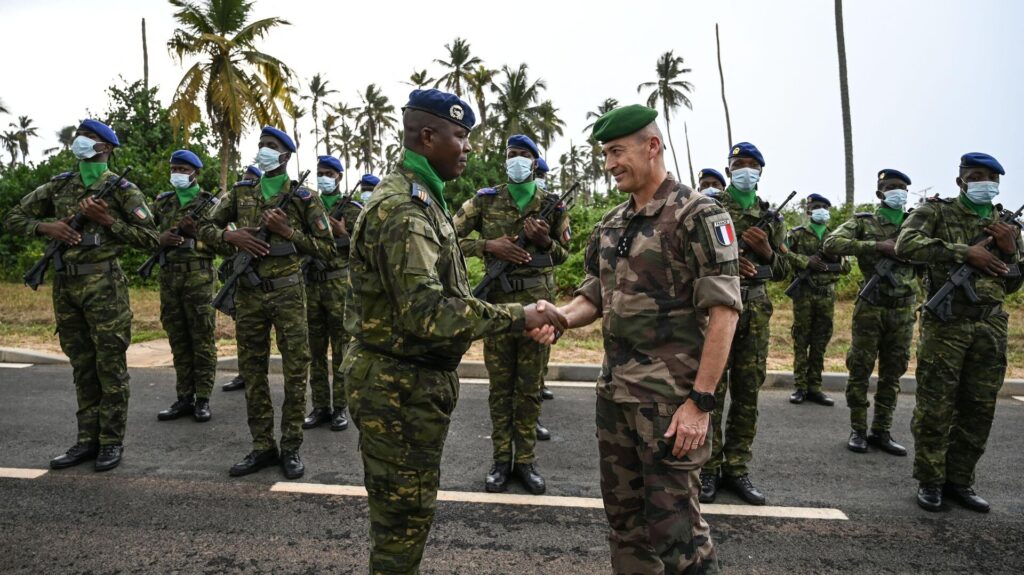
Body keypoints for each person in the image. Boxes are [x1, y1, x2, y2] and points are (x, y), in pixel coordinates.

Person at [342, 88, 566, 574]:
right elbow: (429, 313)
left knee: (409, 516)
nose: (468, 148)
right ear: (427, 136)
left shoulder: (424, 199)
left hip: (411, 383)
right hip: (398, 386)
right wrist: (516, 316)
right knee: (402, 525)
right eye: (461, 136)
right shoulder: (404, 210)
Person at [531, 104, 737, 574]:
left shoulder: (697, 214)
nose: (609, 164)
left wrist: (700, 403)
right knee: (625, 526)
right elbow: (594, 295)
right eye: (605, 154)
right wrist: (560, 317)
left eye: (618, 151)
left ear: (652, 146)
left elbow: (725, 312)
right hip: (616, 399)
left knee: (678, 535)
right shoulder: (611, 223)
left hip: (669, 405)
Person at [4, 119, 158, 471]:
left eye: (88, 138)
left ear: (105, 148)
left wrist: (107, 222)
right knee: (82, 366)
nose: (80, 142)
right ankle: (86, 441)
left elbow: (151, 238)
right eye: (80, 136)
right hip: (66, 287)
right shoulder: (60, 185)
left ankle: (110, 442)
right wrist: (45, 227)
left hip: (105, 288)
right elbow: (13, 216)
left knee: (110, 368)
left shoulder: (122, 190)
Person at [199, 126, 335, 480]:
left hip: (289, 293)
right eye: (261, 145)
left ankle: (290, 447)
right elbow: (203, 228)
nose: (264, 151)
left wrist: (289, 232)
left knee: (295, 371)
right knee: (254, 372)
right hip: (249, 294)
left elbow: (328, 249)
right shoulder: (242, 192)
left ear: (286, 156)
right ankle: (262, 447)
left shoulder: (305, 198)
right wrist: (231, 236)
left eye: (271, 147)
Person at [895, 152, 1023, 513]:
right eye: (977, 176)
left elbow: (1012, 285)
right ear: (961, 180)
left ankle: (961, 481)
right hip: (947, 323)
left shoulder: (1007, 226)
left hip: (990, 325)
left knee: (978, 408)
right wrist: (964, 253)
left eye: (992, 179)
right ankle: (931, 482)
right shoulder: (936, 213)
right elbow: (907, 245)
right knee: (936, 406)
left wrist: (1010, 253)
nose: (986, 183)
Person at [454, 135, 571, 495]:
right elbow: (447, 238)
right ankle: (501, 460)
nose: (516, 160)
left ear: (535, 163)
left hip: (539, 311)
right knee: (501, 389)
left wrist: (544, 242)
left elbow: (566, 255)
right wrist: (488, 246)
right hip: (498, 309)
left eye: (523, 155)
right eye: (511, 155)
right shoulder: (485, 201)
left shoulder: (552, 205)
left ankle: (526, 462)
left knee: (530, 389)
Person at [699, 142, 790, 506]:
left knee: (747, 393)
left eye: (753, 165)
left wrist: (767, 252)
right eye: (739, 164)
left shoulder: (774, 219)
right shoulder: (709, 209)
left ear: (761, 172)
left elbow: (784, 271)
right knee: (712, 391)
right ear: (729, 168)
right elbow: (691, 260)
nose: (746, 169)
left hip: (754, 313)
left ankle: (736, 468)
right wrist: (729, 262)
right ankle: (707, 469)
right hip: (716, 311)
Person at [822, 169, 918, 455]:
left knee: (893, 371)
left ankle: (882, 431)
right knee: (861, 368)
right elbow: (831, 244)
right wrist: (877, 246)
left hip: (903, 309)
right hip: (871, 306)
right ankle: (858, 429)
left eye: (902, 187)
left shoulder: (917, 224)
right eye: (891, 187)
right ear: (880, 193)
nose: (897, 191)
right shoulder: (865, 222)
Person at [153, 150, 218, 423]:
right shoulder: (163, 202)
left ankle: (202, 398)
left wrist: (196, 236)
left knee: (202, 339)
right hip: (170, 278)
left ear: (196, 173)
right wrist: (160, 239)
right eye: (174, 168)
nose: (177, 173)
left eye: (182, 169)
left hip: (199, 278)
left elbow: (226, 242)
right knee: (178, 339)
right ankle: (184, 397)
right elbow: (143, 233)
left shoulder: (212, 204)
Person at [302, 155, 362, 432]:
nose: (323, 177)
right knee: (314, 350)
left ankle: (340, 407)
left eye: (329, 173)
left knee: (340, 349)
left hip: (338, 287)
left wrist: (345, 234)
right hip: (311, 284)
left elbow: (366, 250)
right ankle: (319, 406)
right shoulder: (307, 205)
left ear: (339, 177)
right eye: (320, 173)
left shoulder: (352, 209)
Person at [785, 193, 849, 406]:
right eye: (816, 206)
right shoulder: (797, 234)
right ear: (808, 211)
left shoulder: (835, 237)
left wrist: (830, 263)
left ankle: (815, 387)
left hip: (826, 297)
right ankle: (800, 387)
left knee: (821, 341)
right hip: (803, 295)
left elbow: (846, 266)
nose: (821, 209)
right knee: (801, 340)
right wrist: (805, 262)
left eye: (824, 206)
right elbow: (782, 254)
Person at [221, 164, 263, 393]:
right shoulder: (236, 204)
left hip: (268, 277)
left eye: (251, 179)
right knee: (244, 331)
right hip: (242, 270)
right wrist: (230, 235)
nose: (247, 182)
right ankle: (244, 373)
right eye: (245, 179)